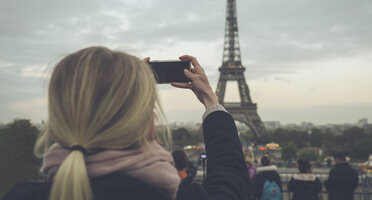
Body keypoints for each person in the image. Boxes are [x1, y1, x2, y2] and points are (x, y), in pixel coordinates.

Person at [1, 46, 252, 200]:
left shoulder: (22, 195)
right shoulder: (183, 197)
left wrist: (127, 90)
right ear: (149, 125)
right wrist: (210, 100)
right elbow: (231, 179)